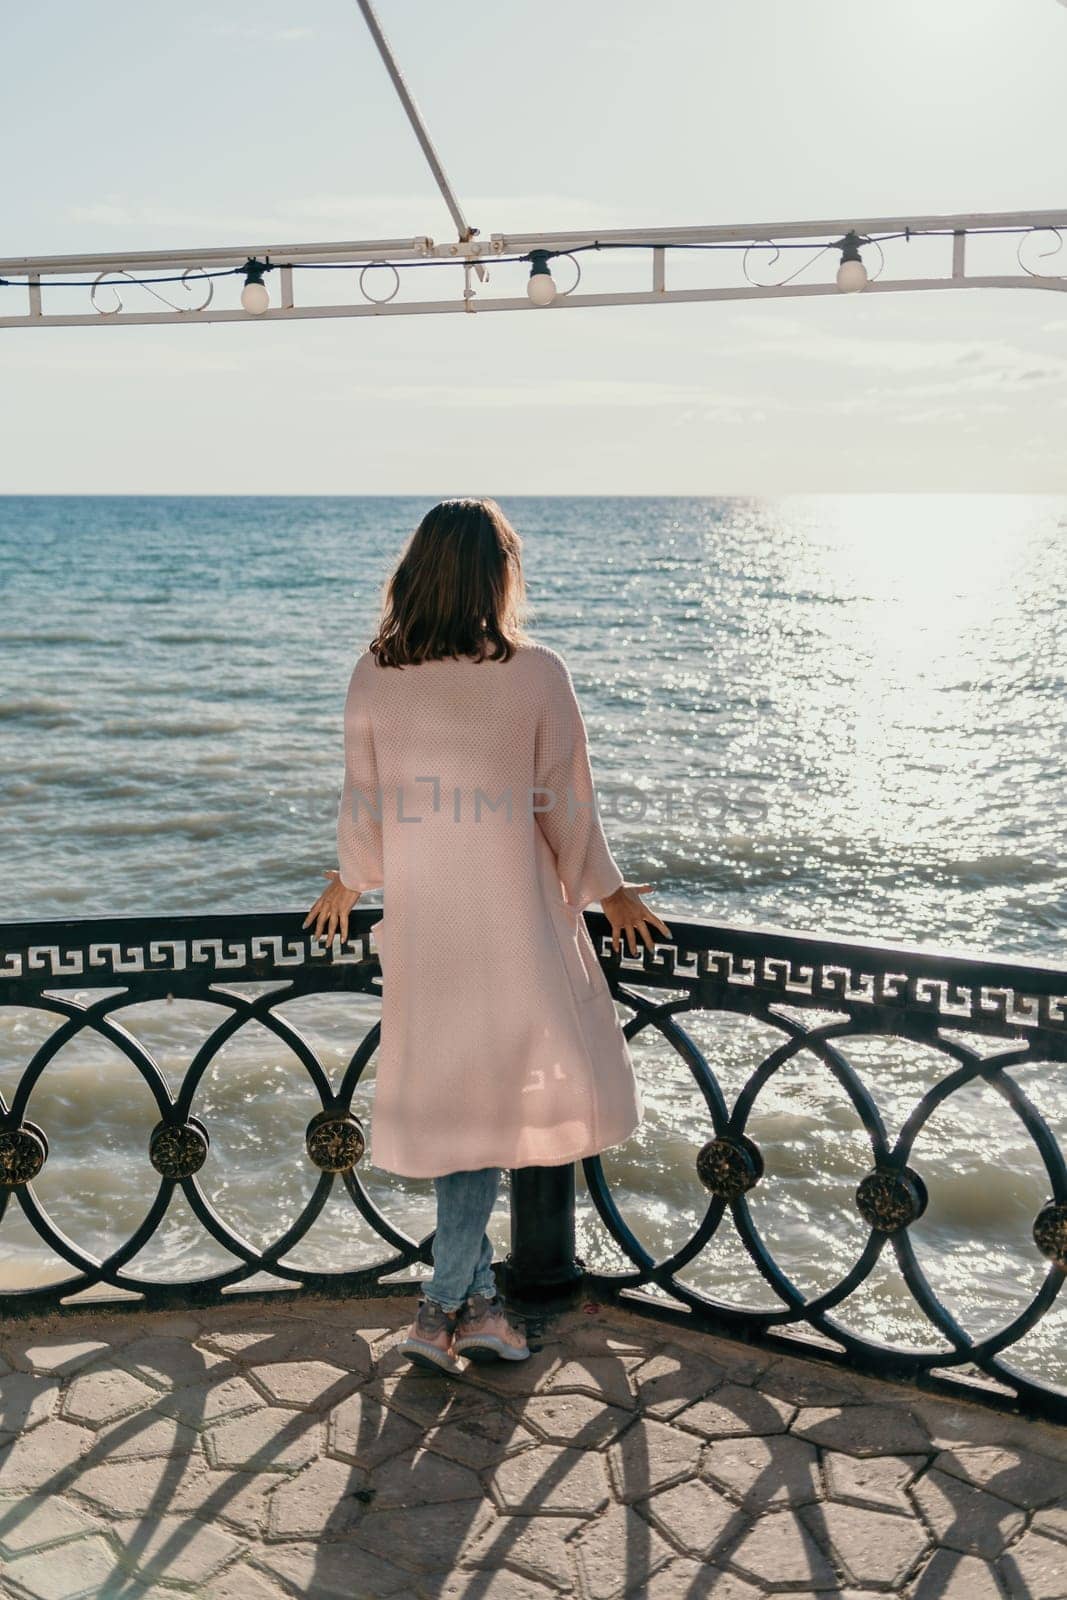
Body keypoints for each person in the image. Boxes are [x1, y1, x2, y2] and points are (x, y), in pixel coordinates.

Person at [304, 497, 670, 1374]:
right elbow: (565, 804)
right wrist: (608, 891)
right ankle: (442, 1310)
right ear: (499, 571)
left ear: (416, 570)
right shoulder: (534, 671)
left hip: (427, 925)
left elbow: (365, 800)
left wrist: (348, 880)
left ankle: (473, 1308)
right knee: (488, 1107)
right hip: (510, 924)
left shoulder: (375, 671)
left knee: (463, 1106)